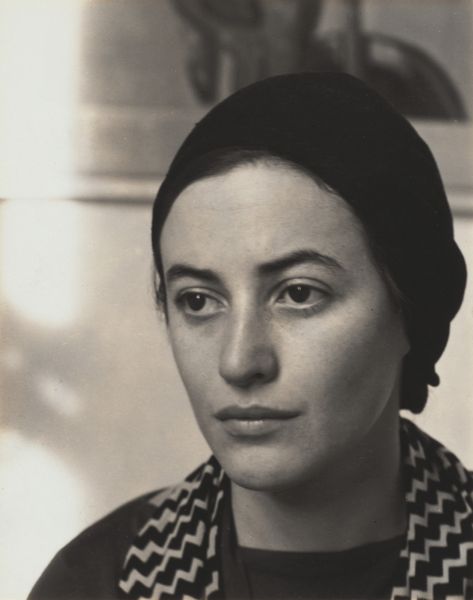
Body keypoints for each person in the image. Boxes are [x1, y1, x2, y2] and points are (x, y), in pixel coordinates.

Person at [29, 73, 472, 600]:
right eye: (198, 301)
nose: (239, 361)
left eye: (299, 294)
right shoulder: (93, 584)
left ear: (412, 309)